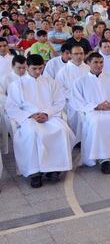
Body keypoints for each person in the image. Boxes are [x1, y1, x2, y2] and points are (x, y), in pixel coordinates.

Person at [6, 54, 75, 188]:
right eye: (34, 68)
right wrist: (31, 115)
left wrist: (46, 113)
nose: (38, 72)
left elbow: (59, 102)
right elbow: (11, 107)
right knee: (32, 134)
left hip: (49, 116)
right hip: (28, 118)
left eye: (40, 68)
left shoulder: (50, 82)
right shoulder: (17, 85)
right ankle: (34, 173)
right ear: (27, 67)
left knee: (62, 130)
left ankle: (54, 168)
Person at [55, 45, 89, 138]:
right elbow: (59, 88)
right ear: (70, 55)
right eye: (76, 54)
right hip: (71, 99)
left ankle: (92, 134)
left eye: (81, 53)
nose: (79, 56)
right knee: (78, 113)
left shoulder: (89, 69)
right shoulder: (63, 71)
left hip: (89, 99)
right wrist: (76, 96)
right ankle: (78, 138)